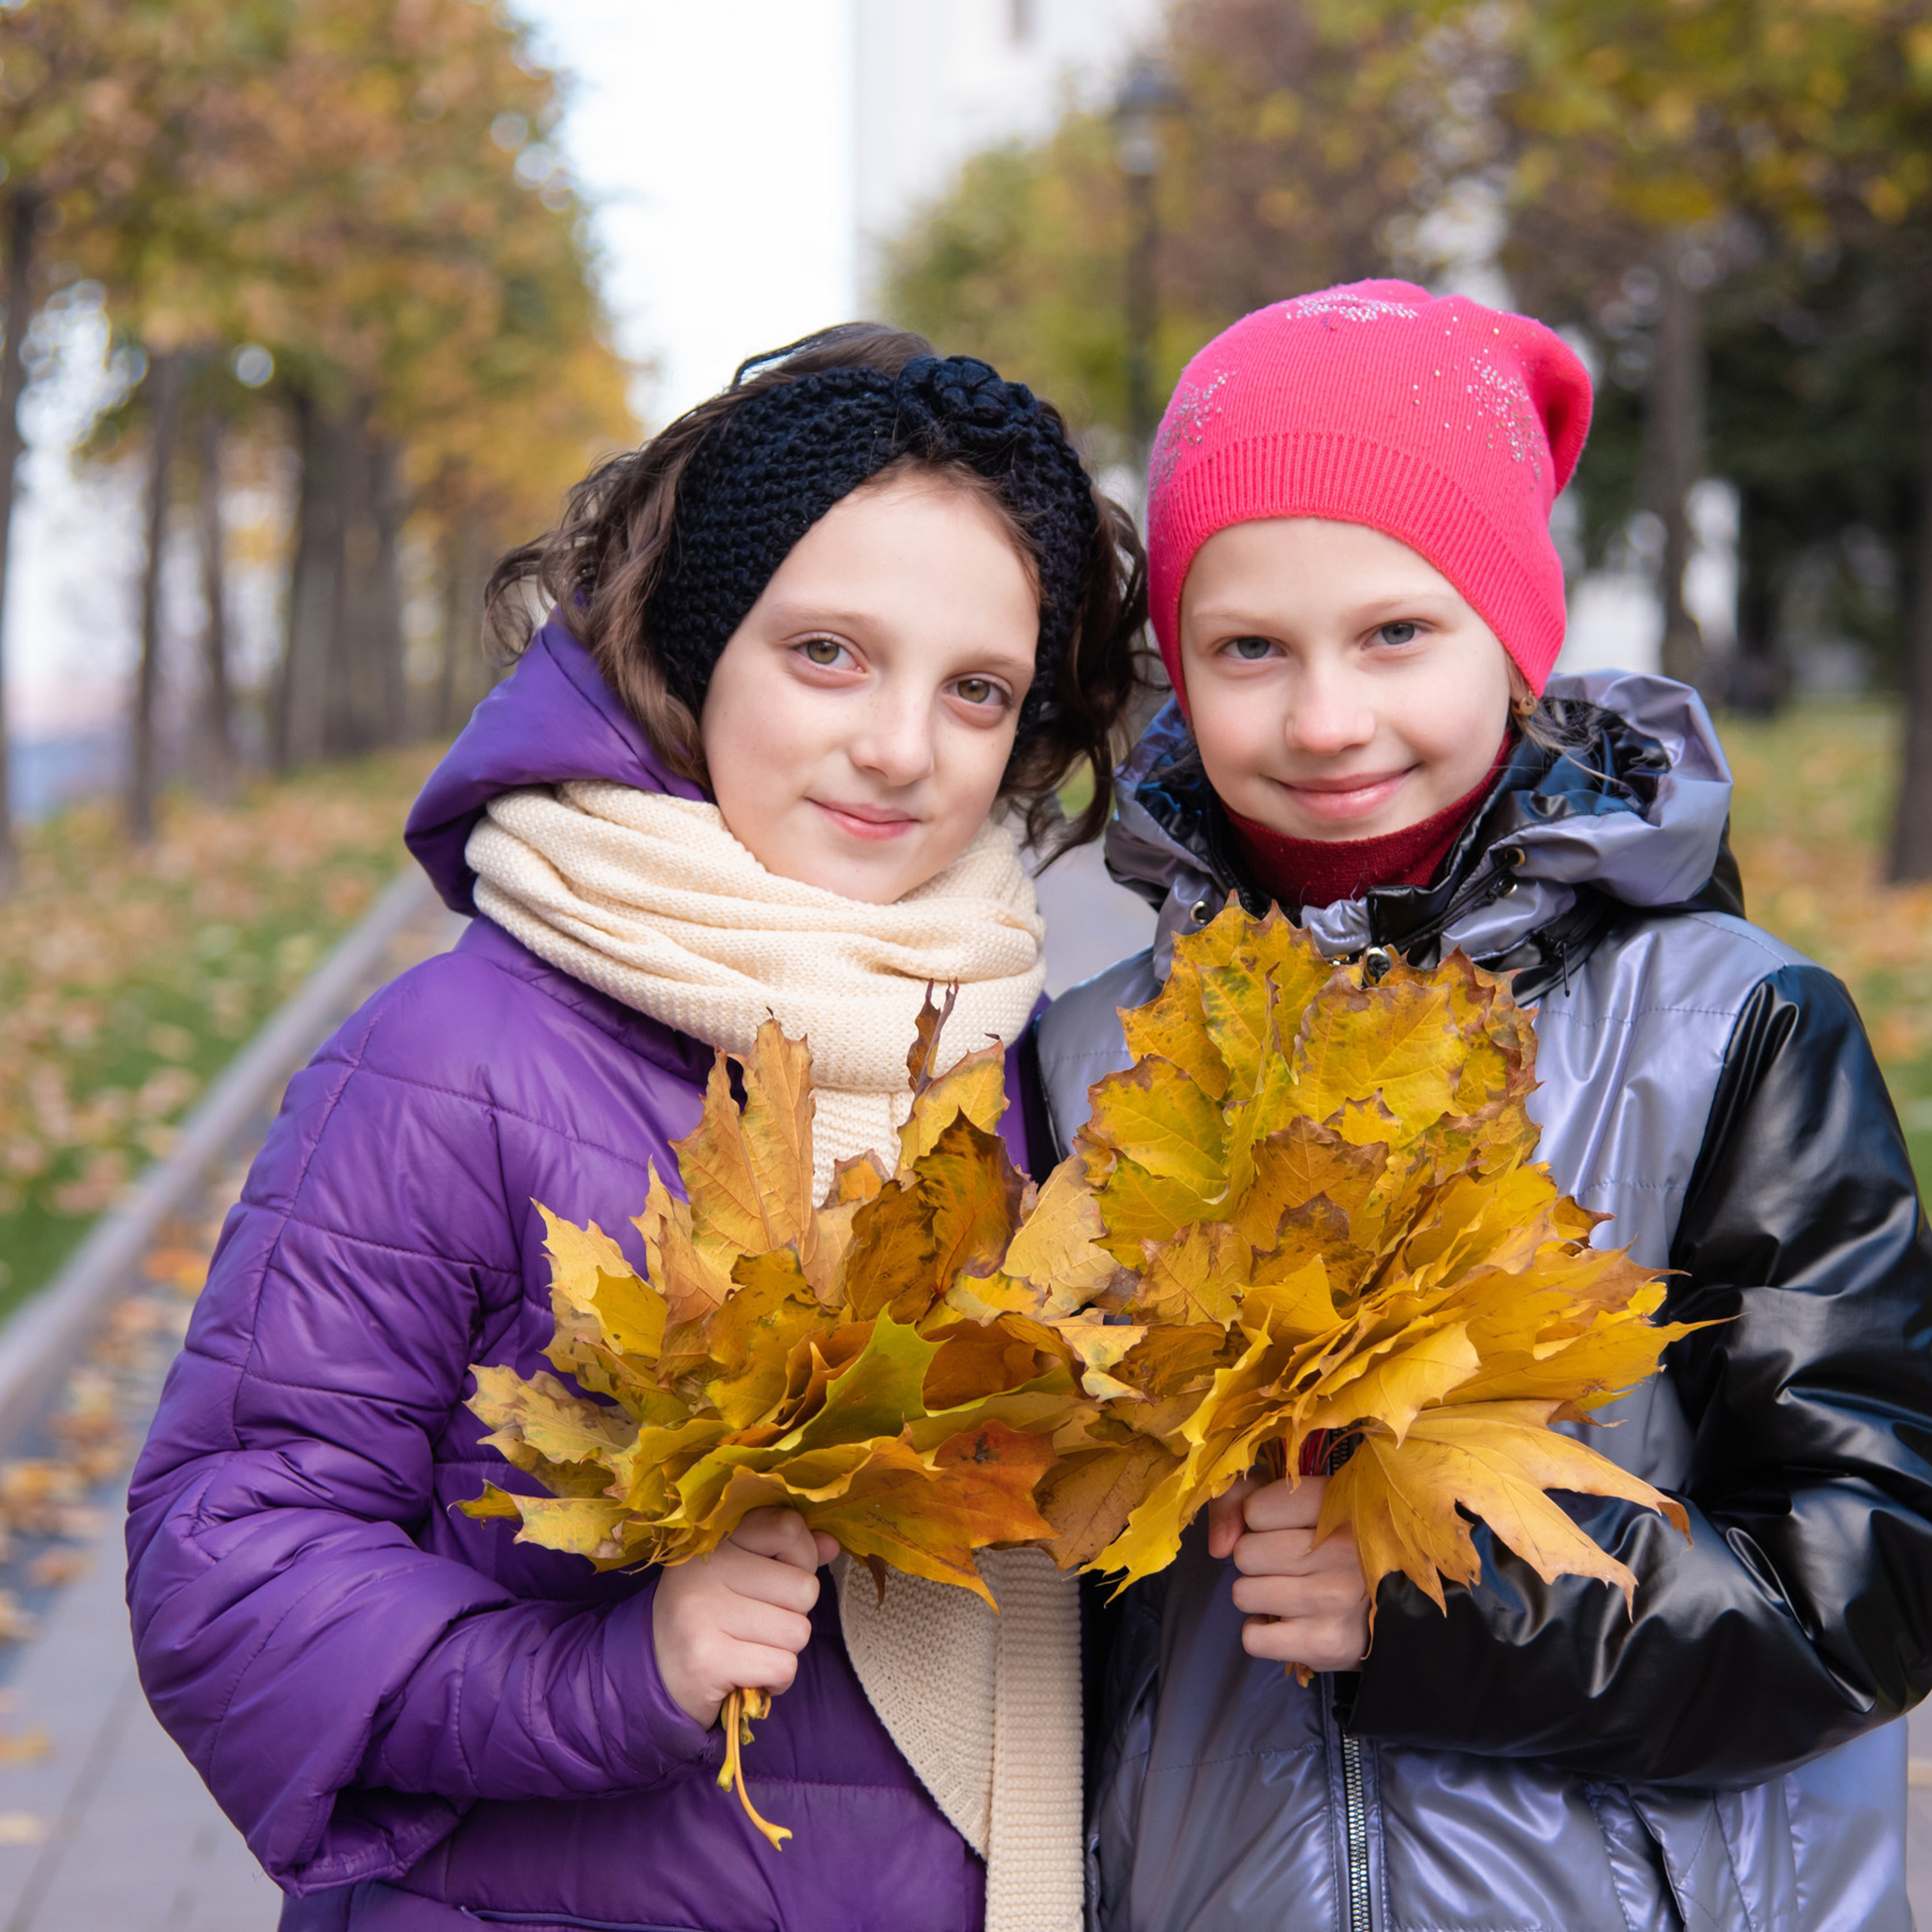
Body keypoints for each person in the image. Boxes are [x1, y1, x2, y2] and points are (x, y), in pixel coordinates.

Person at [126, 324, 1146, 1932]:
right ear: (698, 640)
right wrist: (616, 1674)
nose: (899, 746)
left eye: (974, 690)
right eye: (827, 651)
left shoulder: (1014, 1054)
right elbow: (229, 1566)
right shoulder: (457, 1056)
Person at [1034, 281, 1932, 1932]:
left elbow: (1865, 1578)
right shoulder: (1090, 1059)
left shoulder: (1726, 1027)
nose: (1322, 717)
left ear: (1513, 632)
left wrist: (1452, 1593)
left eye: (1395, 632)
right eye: (1247, 648)